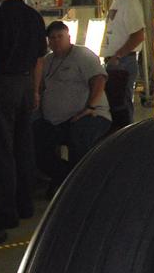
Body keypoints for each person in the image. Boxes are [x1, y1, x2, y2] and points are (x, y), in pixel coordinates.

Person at [0, 0, 47, 229]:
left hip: (2, 86)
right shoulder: (34, 17)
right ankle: (25, 205)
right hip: (25, 85)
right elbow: (39, 59)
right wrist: (35, 90)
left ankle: (6, 213)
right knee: (24, 146)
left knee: (1, 151)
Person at [33, 21, 112, 191]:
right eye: (52, 38)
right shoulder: (47, 61)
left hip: (89, 115)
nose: (56, 41)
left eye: (60, 36)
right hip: (55, 120)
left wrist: (90, 107)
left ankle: (79, 186)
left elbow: (99, 80)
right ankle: (64, 178)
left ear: (69, 37)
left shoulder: (82, 55)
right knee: (36, 141)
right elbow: (39, 85)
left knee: (79, 138)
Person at [102, 0, 145, 129]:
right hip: (114, 61)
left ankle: (126, 135)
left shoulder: (130, 4)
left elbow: (138, 35)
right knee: (113, 103)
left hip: (123, 62)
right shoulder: (116, 3)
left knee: (122, 105)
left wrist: (118, 55)